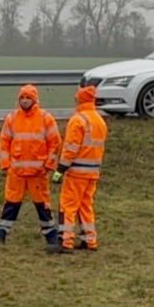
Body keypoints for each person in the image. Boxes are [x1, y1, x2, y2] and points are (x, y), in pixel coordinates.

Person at [0, 84, 62, 249]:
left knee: (42, 206)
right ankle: (1, 233)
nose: (24, 101)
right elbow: (4, 142)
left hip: (37, 173)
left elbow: (55, 143)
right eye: (22, 98)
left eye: (28, 98)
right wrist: (6, 165)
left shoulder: (46, 118)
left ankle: (51, 237)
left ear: (35, 99)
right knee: (11, 204)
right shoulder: (12, 118)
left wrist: (48, 165)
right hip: (16, 172)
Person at [52, 84, 108, 253]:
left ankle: (65, 242)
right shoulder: (100, 120)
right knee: (86, 206)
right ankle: (90, 241)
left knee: (68, 206)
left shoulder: (78, 120)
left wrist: (60, 169)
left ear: (80, 100)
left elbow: (71, 148)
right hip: (93, 172)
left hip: (76, 172)